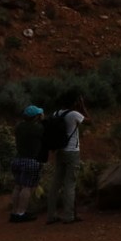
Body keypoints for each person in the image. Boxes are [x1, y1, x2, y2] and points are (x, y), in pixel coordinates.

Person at [44, 92, 88, 225]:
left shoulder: (56, 113)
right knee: (70, 184)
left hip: (60, 151)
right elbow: (90, 121)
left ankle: (51, 216)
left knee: (55, 184)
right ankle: (68, 216)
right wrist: (83, 106)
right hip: (72, 152)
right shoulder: (74, 114)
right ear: (73, 102)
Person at [9, 105, 44, 223]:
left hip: (18, 159)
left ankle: (14, 212)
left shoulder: (19, 127)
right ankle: (21, 213)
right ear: (35, 117)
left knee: (18, 186)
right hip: (31, 160)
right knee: (27, 187)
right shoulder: (37, 129)